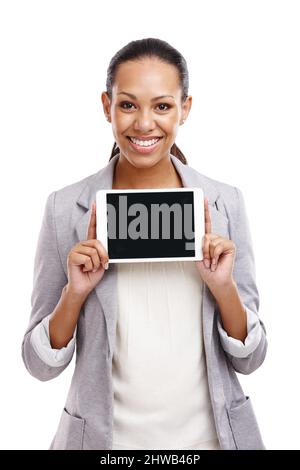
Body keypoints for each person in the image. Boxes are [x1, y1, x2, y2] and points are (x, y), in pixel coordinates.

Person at [21, 38, 267, 450]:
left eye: (163, 106)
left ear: (185, 109)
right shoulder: (66, 209)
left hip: (212, 442)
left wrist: (223, 288)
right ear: (107, 106)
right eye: (129, 104)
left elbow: (251, 359)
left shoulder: (226, 203)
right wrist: (74, 294)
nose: (144, 123)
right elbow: (38, 366)